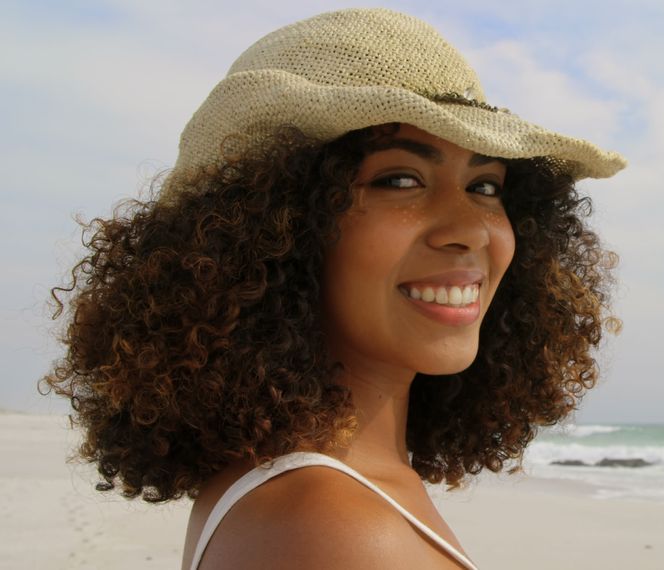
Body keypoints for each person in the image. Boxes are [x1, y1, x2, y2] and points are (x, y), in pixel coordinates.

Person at [42, 8, 624, 569]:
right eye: (401, 179)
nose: (470, 228)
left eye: (486, 186)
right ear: (278, 226)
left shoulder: (312, 490)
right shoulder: (332, 526)